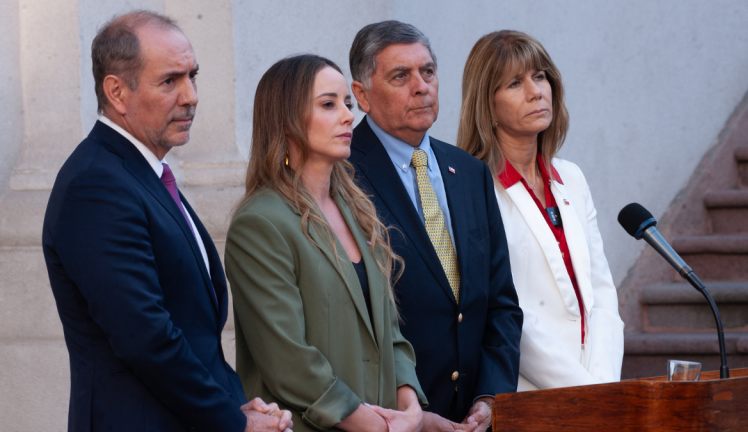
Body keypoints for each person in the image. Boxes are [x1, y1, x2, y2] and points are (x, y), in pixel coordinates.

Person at [42, 11, 292, 432]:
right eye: (170, 81)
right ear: (117, 92)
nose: (191, 96)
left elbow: (195, 336)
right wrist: (234, 422)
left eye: (193, 76)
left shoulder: (140, 175)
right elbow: (146, 338)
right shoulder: (96, 184)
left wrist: (236, 406)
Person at [224, 54, 427, 432]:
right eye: (329, 104)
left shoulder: (357, 210)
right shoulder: (261, 223)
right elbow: (290, 363)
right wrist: (379, 427)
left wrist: (411, 409)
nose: (349, 116)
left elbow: (390, 334)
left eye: (347, 103)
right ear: (287, 120)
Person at [347, 21, 524, 431]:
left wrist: (490, 396)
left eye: (427, 71)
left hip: (473, 419)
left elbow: (500, 302)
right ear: (362, 95)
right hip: (391, 416)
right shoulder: (342, 174)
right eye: (400, 76)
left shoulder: (470, 171)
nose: (421, 86)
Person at [457, 30, 624, 391]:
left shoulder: (571, 177)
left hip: (598, 385)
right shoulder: (472, 188)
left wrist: (604, 386)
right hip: (526, 392)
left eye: (540, 76)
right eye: (515, 83)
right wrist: (584, 391)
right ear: (487, 104)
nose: (536, 92)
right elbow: (507, 309)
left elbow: (601, 291)